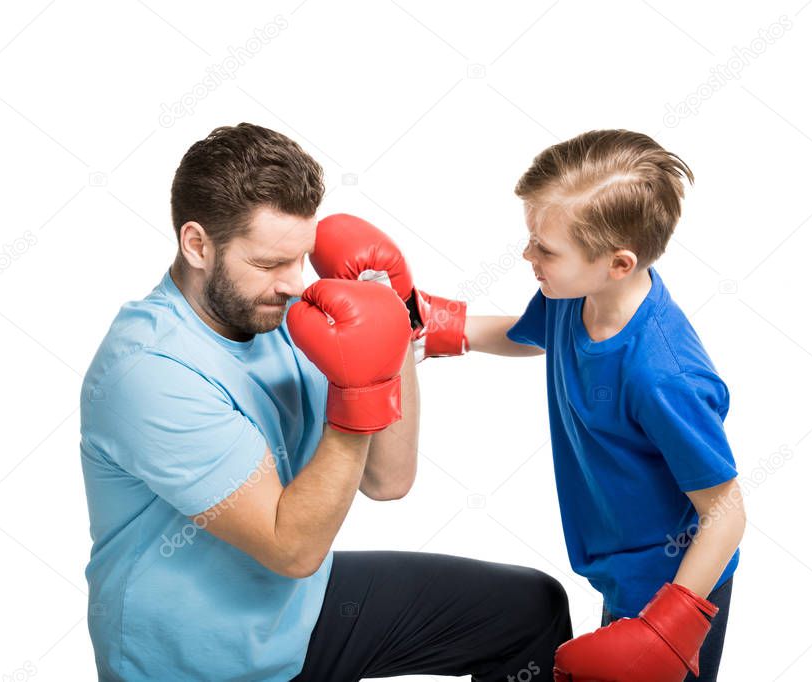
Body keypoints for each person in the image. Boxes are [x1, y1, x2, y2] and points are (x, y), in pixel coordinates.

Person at [79, 123, 571, 682]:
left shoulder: (283, 310)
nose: (294, 283)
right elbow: (292, 549)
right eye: (269, 264)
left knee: (530, 610)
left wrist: (393, 321)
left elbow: (390, 479)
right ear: (197, 244)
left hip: (297, 613)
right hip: (200, 662)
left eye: (302, 258)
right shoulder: (151, 371)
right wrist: (358, 392)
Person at [464, 130, 746, 681]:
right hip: (622, 571)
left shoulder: (663, 374)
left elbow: (727, 512)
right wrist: (437, 325)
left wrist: (664, 630)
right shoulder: (575, 295)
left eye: (544, 248)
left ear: (618, 263)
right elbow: (526, 336)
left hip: (677, 585)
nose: (527, 255)